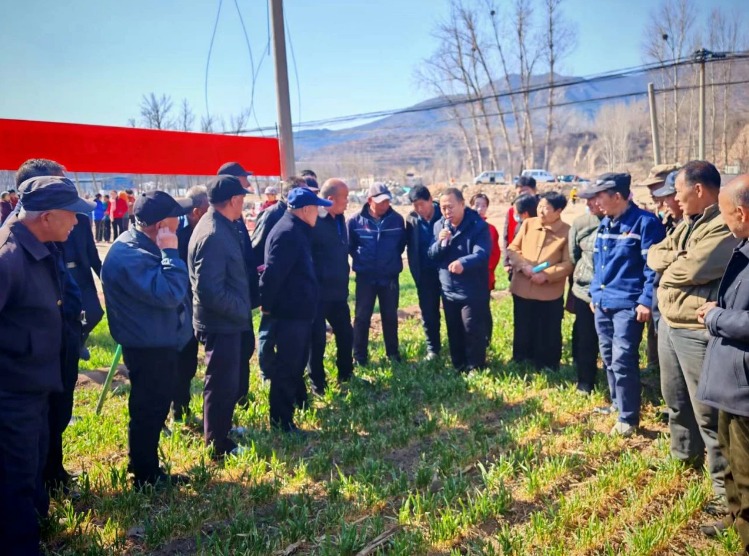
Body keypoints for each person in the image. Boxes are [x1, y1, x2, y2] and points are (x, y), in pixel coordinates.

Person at [0, 176, 94, 556]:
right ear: (47, 217)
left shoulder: (41, 245)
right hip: (12, 393)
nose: (77, 222)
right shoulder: (8, 258)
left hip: (35, 385)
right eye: (72, 214)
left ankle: (35, 528)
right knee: (15, 478)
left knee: (34, 463)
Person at [647, 161, 735, 500]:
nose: (674, 199)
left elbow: (696, 268)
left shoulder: (722, 223)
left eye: (678, 191)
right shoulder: (688, 222)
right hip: (671, 323)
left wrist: (675, 264)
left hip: (697, 330)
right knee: (676, 400)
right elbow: (654, 256)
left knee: (708, 412)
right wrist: (677, 257)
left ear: (697, 189)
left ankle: (724, 491)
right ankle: (683, 457)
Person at [101, 190, 193, 487]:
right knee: (148, 409)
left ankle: (147, 468)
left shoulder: (142, 244)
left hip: (158, 340)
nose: (181, 221)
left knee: (155, 405)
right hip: (148, 346)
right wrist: (170, 252)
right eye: (176, 217)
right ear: (161, 225)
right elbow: (171, 293)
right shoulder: (130, 255)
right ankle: (145, 474)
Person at [589, 173, 666, 437]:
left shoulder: (645, 223)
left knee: (623, 359)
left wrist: (646, 300)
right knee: (609, 357)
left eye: (600, 197)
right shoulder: (605, 224)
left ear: (618, 196)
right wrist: (595, 295)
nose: (596, 203)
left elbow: (652, 268)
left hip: (628, 304)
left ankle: (628, 417)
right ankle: (617, 403)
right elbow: (598, 265)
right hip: (603, 302)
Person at [695, 174, 749, 550]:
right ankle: (734, 515)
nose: (725, 222)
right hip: (732, 380)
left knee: (747, 472)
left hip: (745, 384)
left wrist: (716, 317)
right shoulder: (744, 245)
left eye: (726, 214)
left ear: (741, 213)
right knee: (730, 458)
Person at [189, 177, 258, 456]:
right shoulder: (213, 234)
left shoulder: (224, 225)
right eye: (242, 198)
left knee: (228, 383)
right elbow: (209, 290)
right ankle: (217, 444)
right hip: (221, 322)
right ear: (233, 200)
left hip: (228, 319)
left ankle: (223, 429)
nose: (243, 203)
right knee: (220, 384)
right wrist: (241, 307)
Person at [260, 187, 331, 433]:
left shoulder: (296, 228)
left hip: (299, 312)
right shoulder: (288, 233)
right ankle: (281, 422)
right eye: (316, 208)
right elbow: (272, 275)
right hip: (290, 314)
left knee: (296, 364)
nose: (319, 213)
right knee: (287, 368)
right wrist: (267, 306)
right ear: (305, 210)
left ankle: (296, 406)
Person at [508, 191, 573, 370]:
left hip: (548, 291)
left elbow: (568, 264)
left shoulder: (567, 231)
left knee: (547, 328)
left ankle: (547, 363)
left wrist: (546, 275)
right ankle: (521, 359)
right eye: (540, 206)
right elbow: (513, 248)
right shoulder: (528, 224)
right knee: (522, 325)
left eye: (546, 208)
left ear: (558, 211)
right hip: (523, 286)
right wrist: (523, 266)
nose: (541, 211)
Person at [428, 188, 491, 371]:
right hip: (449, 288)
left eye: (450, 207)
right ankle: (458, 364)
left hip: (472, 288)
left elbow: (482, 253)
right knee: (454, 328)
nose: (447, 211)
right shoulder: (439, 226)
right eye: (443, 208)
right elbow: (431, 254)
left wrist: (464, 263)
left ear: (462, 204)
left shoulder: (478, 225)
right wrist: (440, 244)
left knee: (472, 329)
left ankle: (475, 366)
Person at [348, 183, 407, 365]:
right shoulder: (355, 221)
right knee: (362, 317)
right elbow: (350, 246)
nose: (385, 205)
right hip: (365, 278)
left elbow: (400, 245)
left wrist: (388, 261)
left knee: (390, 316)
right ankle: (359, 356)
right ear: (369, 200)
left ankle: (393, 354)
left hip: (389, 278)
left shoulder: (397, 220)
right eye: (381, 201)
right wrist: (363, 261)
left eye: (387, 201)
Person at [308, 179, 355, 394]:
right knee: (317, 342)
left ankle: (346, 374)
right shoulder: (314, 220)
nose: (347, 201)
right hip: (318, 294)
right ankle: (318, 385)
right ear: (330, 199)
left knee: (346, 334)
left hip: (338, 292)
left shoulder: (340, 218)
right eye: (344, 197)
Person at [172, 185, 210, 423]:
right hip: (179, 304)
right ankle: (177, 411)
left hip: (198, 303)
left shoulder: (207, 230)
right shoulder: (177, 234)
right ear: (196, 211)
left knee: (189, 361)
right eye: (207, 208)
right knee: (181, 359)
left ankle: (182, 409)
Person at [569, 186, 604, 393]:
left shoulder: (621, 221)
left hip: (611, 292)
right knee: (585, 337)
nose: (589, 203)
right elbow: (573, 255)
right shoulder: (581, 223)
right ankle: (585, 381)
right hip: (585, 290)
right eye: (586, 200)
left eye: (593, 198)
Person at [406, 185, 443, 359]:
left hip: (446, 271)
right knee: (429, 313)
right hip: (425, 274)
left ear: (430, 200)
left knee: (453, 311)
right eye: (415, 206)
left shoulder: (444, 214)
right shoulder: (412, 220)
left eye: (422, 204)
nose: (419, 209)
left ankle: (459, 345)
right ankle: (433, 349)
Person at [251, 176, 306, 264]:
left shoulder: (301, 213)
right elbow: (256, 246)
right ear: (291, 194)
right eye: (304, 193)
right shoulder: (271, 214)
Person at [470, 193, 502, 346]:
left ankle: (485, 339)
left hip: (484, 276)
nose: (479, 208)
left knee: (483, 309)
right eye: (476, 205)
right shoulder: (464, 227)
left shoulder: (491, 229)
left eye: (483, 206)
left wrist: (485, 269)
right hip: (466, 276)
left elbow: (495, 254)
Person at [503, 176, 537, 277]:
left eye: (526, 192)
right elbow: (507, 236)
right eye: (520, 192)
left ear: (534, 191)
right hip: (516, 257)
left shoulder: (541, 209)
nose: (523, 195)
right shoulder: (512, 211)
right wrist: (506, 262)